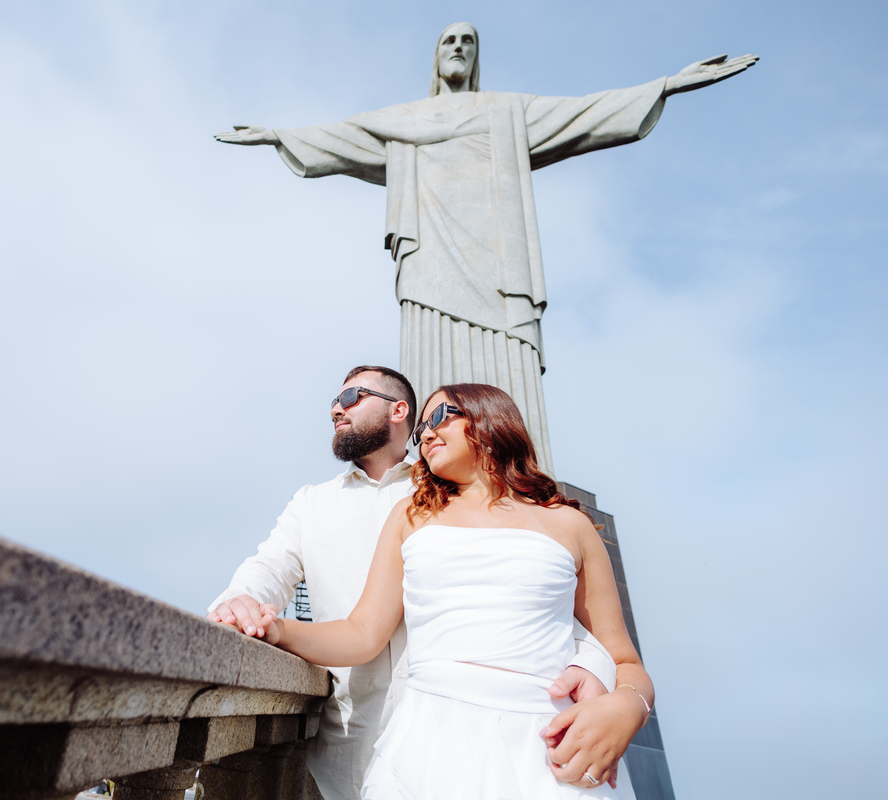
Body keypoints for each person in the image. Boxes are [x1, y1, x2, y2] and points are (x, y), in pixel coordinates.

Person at [215, 22, 758, 474]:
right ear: (436, 58)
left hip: (498, 264)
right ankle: (437, 478)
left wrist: (668, 85)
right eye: (448, 41)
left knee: (508, 364)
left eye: (467, 42)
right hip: (430, 257)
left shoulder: (506, 112)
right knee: (431, 359)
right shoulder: (403, 120)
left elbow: (585, 114)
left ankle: (519, 474)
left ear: (476, 58)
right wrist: (277, 135)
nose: (457, 48)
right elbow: (342, 137)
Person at [208, 367, 638, 800]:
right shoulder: (341, 506)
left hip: (543, 740)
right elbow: (280, 575)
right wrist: (250, 610)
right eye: (334, 402)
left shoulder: (543, 519)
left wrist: (627, 704)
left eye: (352, 396)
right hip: (373, 738)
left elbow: (586, 636)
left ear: (400, 410)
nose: (337, 408)